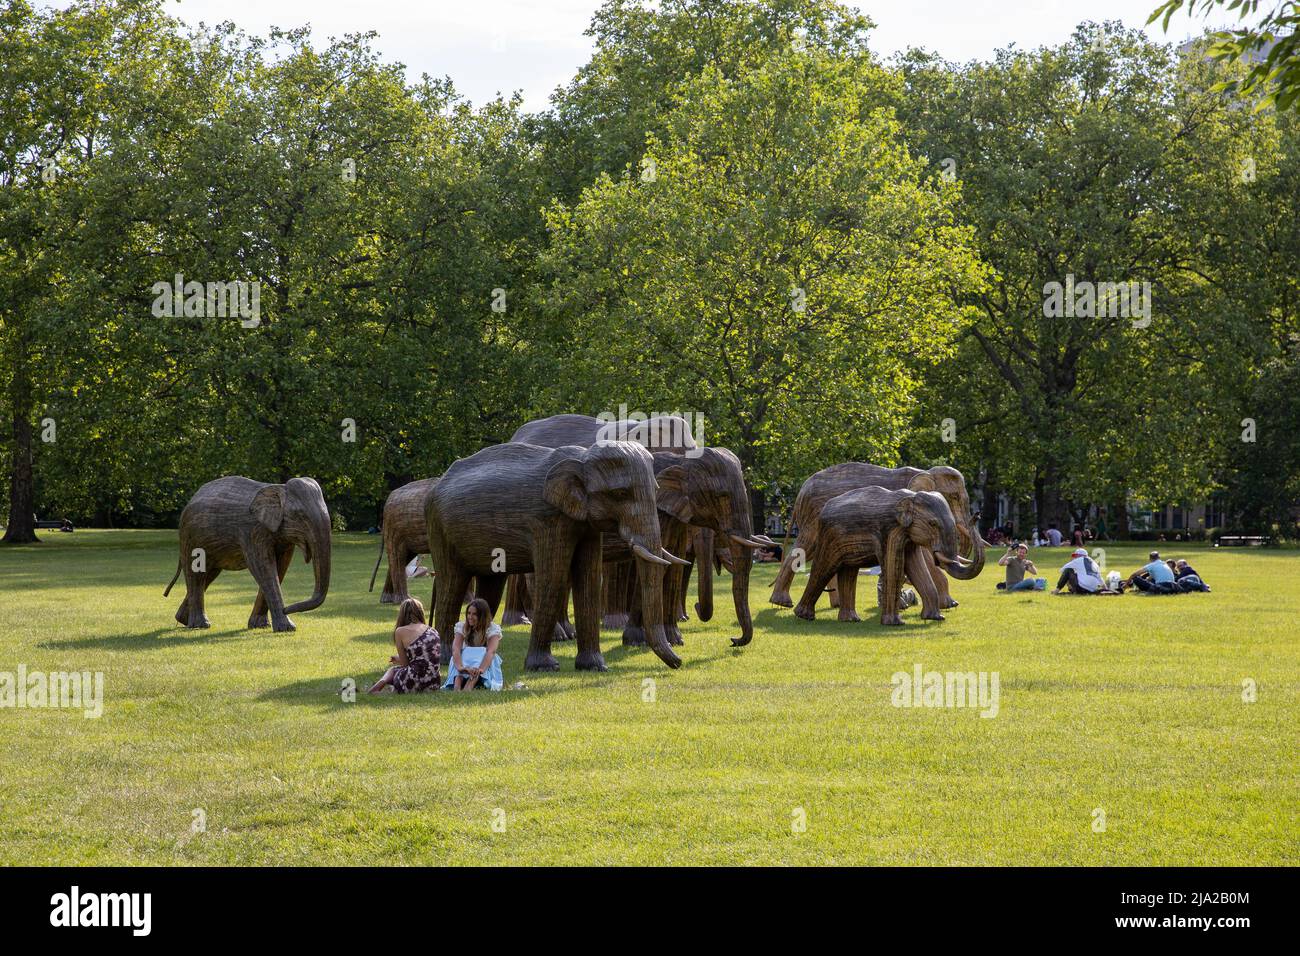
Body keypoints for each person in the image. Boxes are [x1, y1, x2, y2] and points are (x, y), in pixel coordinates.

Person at [368, 598, 442, 693]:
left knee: (393, 670)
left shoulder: (400, 631)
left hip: (413, 682)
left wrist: (399, 659)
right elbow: (425, 658)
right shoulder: (433, 630)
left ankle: (375, 689)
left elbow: (405, 665)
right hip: (434, 683)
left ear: (402, 615)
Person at [443, 597, 504, 691]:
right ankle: (457, 683)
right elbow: (456, 648)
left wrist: (480, 670)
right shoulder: (462, 627)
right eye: (468, 613)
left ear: (482, 616)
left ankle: (471, 682)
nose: (470, 617)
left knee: (482, 650)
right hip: (463, 663)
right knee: (463, 651)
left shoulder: (492, 629)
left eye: (474, 614)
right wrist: (460, 667)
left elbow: (491, 651)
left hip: (483, 663)